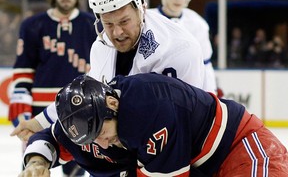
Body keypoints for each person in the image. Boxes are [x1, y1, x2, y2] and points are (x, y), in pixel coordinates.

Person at [11, 0, 208, 140]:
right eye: (108, 24)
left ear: (141, 7)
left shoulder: (180, 48)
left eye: (124, 21)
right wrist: (37, 124)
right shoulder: (100, 47)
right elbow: (87, 99)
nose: (117, 33)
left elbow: (192, 120)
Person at [18, 73, 288, 177]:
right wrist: (37, 162)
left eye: (101, 134)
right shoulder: (92, 127)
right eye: (90, 141)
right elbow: (50, 138)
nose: (99, 146)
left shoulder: (150, 109)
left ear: (113, 105)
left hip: (238, 149)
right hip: (195, 165)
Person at [8, 0, 97, 176]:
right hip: (39, 111)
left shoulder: (92, 25)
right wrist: (21, 109)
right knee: (34, 167)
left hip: (79, 109)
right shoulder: (32, 25)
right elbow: (23, 71)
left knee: (76, 170)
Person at [150, 0, 218, 94]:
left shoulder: (198, 24)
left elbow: (206, 65)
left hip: (188, 92)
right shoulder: (148, 19)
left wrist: (211, 94)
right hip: (153, 88)